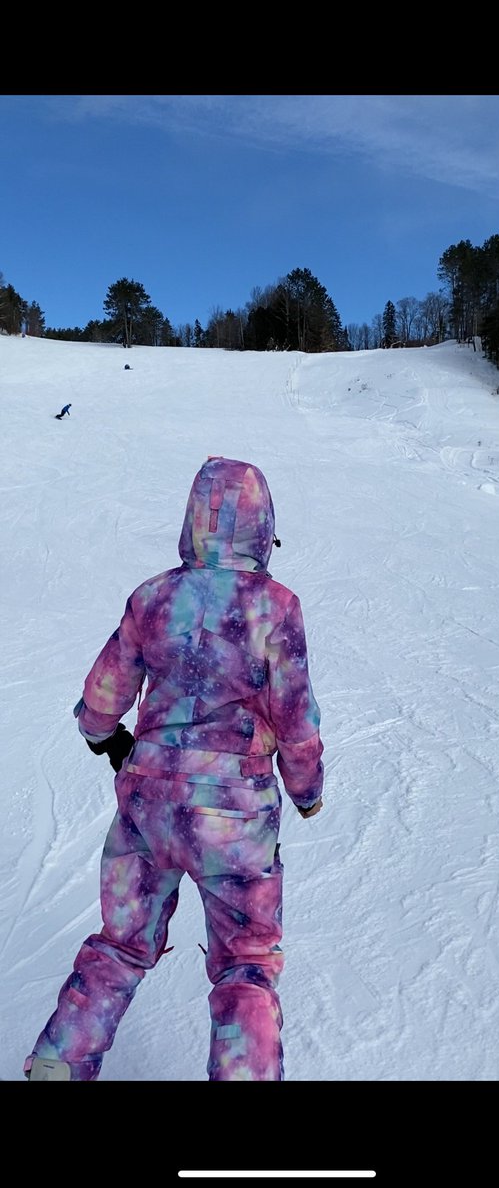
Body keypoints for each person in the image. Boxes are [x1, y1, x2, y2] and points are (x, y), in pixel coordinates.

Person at [24, 456, 324, 1082]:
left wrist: (103, 735)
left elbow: (104, 693)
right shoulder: (275, 607)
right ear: (263, 527)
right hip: (233, 813)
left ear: (192, 524)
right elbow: (294, 714)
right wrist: (306, 789)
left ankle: (59, 1062)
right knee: (246, 959)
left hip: (148, 802)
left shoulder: (154, 596)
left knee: (122, 942)